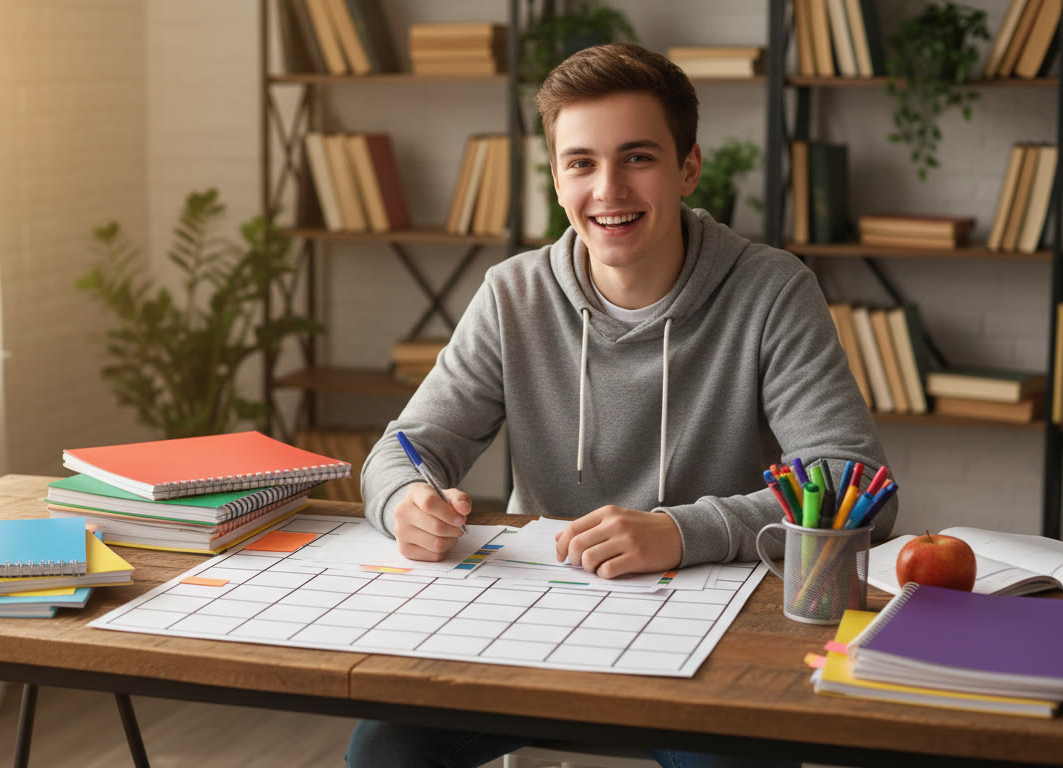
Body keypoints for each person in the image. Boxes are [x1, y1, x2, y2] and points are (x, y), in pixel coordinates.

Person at [345, 43, 896, 768]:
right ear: (556, 177)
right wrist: (406, 502)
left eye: (637, 157)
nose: (608, 189)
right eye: (581, 162)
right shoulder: (514, 295)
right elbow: (401, 450)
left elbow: (855, 486)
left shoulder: (770, 292)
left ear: (688, 167)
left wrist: (680, 531)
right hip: (540, 620)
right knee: (382, 753)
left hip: (716, 628)